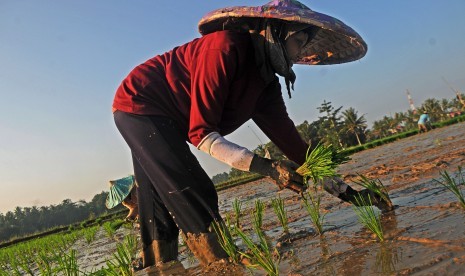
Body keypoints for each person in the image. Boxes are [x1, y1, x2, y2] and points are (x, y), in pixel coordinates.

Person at [112, 0, 393, 271]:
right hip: (141, 103)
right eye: (297, 43)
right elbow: (202, 134)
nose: (298, 55)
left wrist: (353, 196)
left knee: (158, 206)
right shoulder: (224, 48)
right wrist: (268, 168)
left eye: (304, 47)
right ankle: (222, 265)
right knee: (193, 189)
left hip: (165, 119)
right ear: (276, 33)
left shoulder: (266, 86)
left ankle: (160, 268)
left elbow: (300, 151)